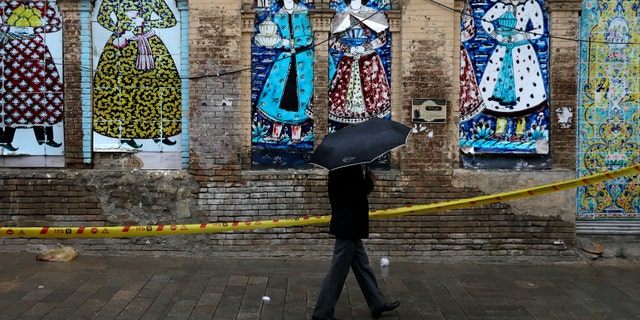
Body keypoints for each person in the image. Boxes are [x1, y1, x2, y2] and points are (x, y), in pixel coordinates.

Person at [313, 164, 399, 320]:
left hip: (350, 224)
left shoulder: (342, 166)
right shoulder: (346, 167)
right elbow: (355, 195)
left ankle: (377, 303)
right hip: (348, 225)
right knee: (338, 270)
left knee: (362, 265)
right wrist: (370, 181)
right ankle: (322, 312)